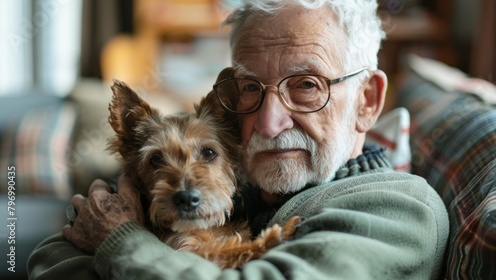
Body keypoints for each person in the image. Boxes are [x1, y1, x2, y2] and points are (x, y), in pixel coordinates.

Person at [28, 0, 449, 279]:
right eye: (250, 88)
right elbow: (49, 262)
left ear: (367, 100)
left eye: (306, 85)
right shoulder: (244, 187)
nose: (269, 122)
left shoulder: (400, 209)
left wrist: (117, 241)